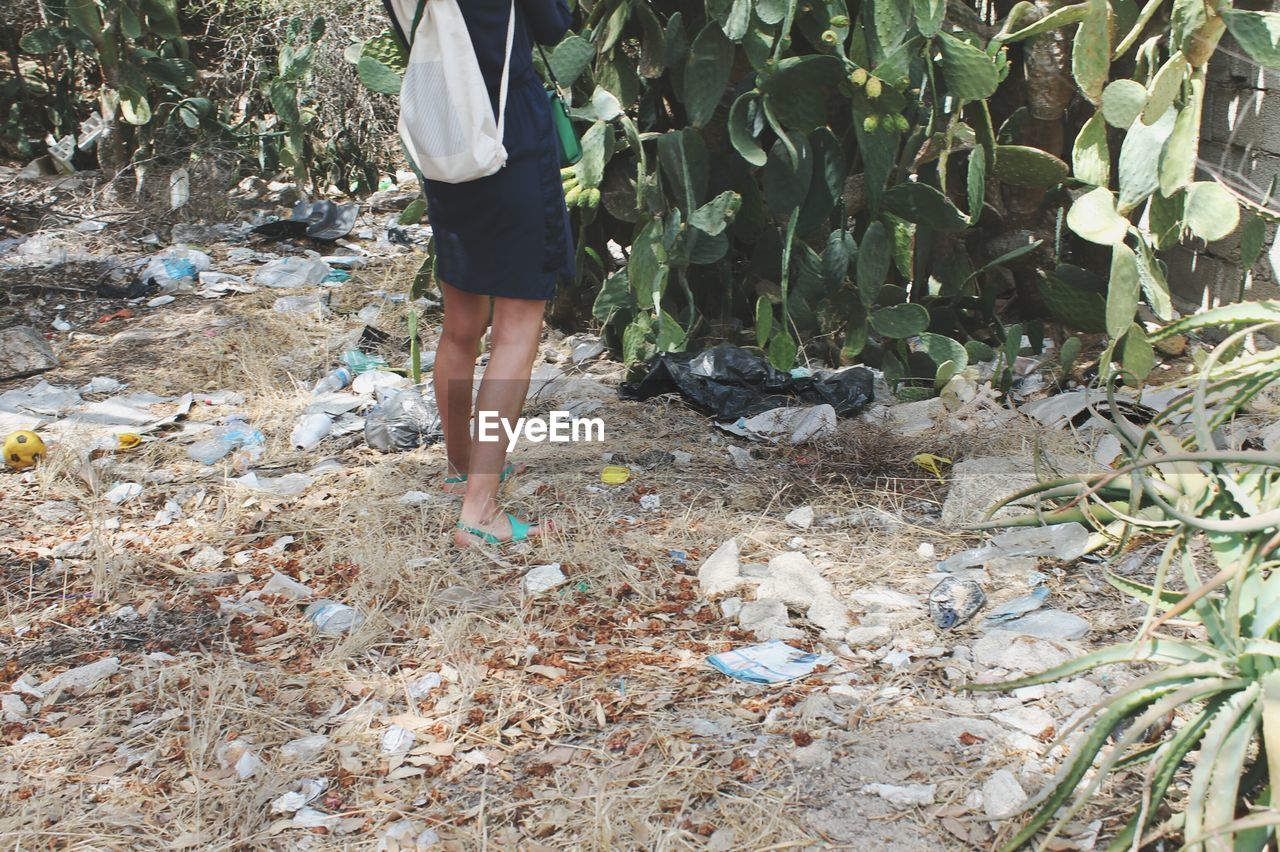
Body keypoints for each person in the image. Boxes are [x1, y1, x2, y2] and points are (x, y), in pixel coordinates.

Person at [401, 0, 575, 547]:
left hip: (445, 128)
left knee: (462, 321)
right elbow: (554, 25)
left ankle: (461, 472)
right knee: (519, 322)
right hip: (507, 130)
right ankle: (481, 509)